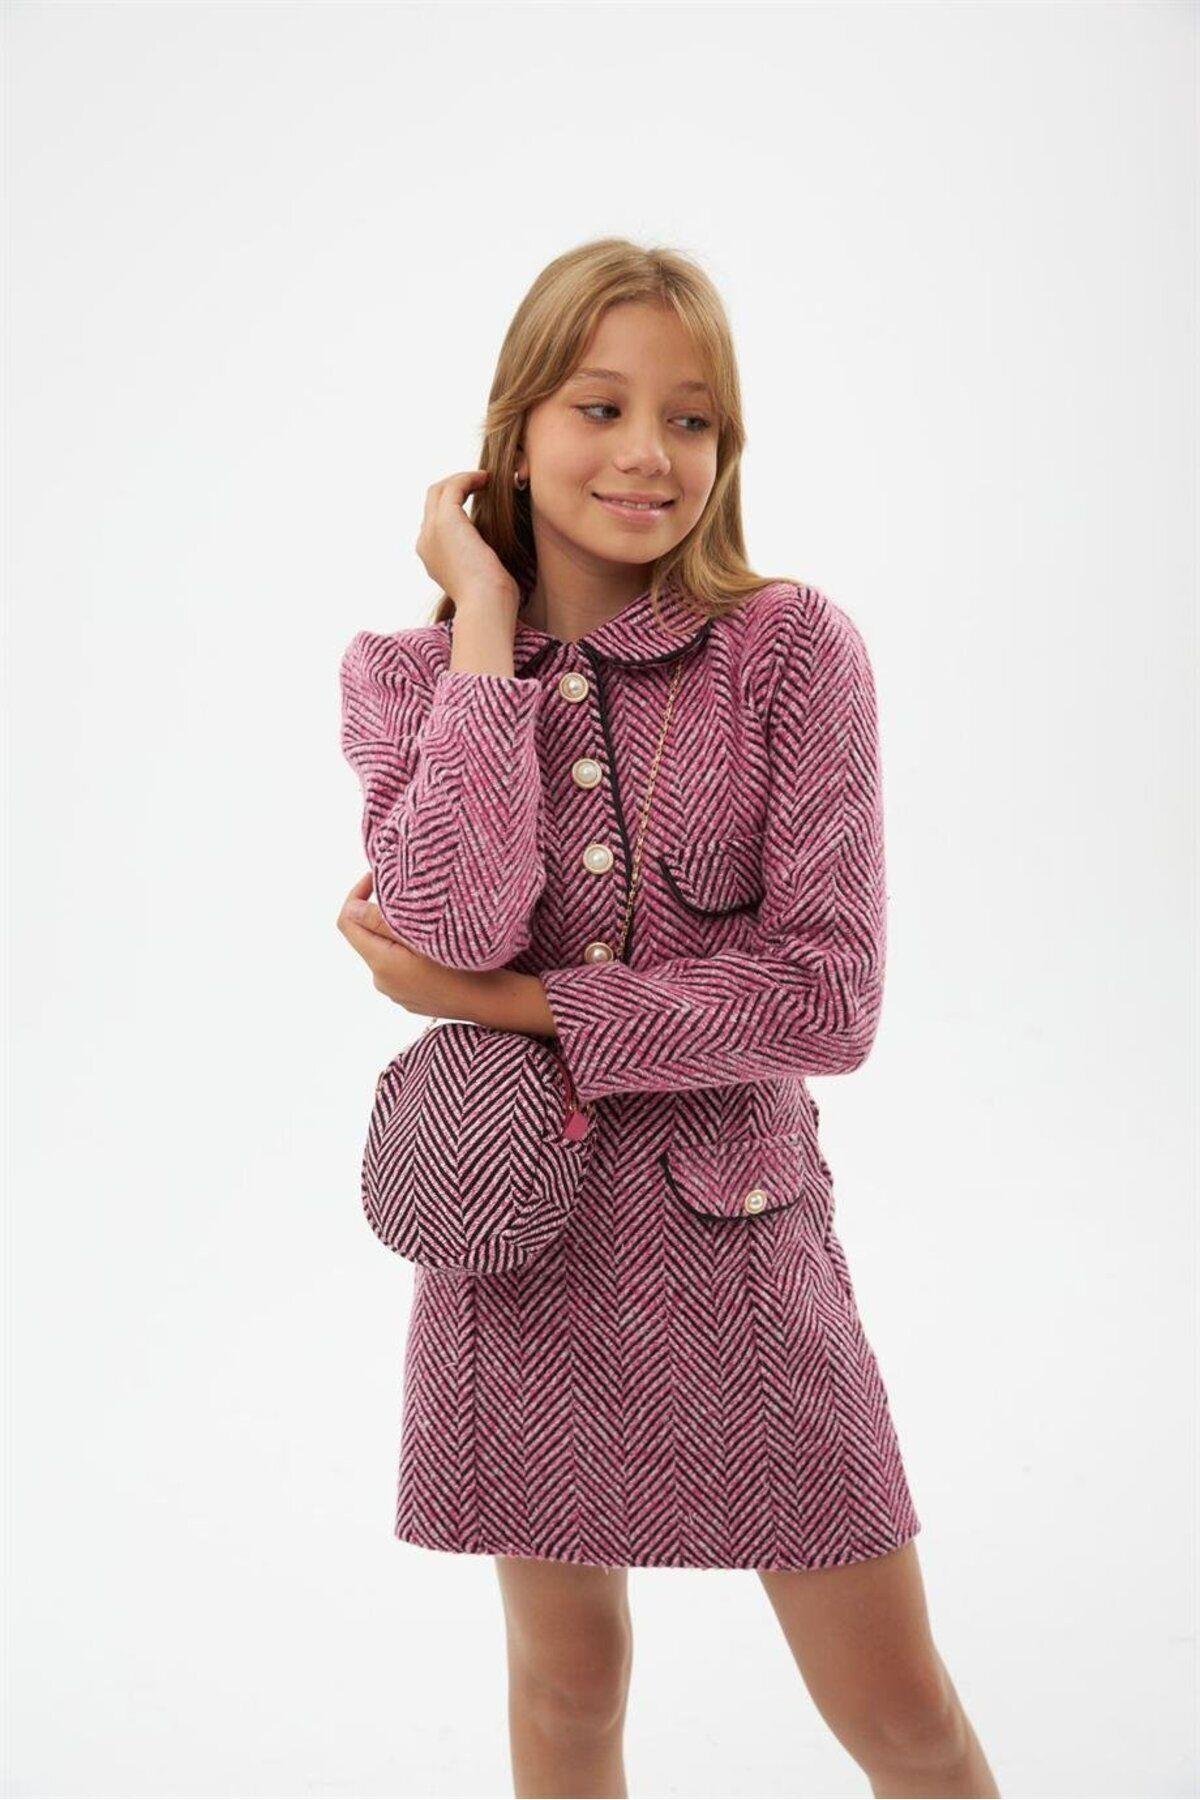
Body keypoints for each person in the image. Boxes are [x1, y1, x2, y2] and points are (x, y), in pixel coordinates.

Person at [337, 237, 999, 1799]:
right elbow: (448, 916)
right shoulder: (403, 676)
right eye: (602, 406)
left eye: (692, 420)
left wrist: (512, 1006)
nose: (650, 452)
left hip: (743, 1249)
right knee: (566, 1691)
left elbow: (827, 996)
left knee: (899, 1711)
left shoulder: (789, 651)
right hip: (518, 1250)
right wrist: (485, 618)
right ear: (512, 434)